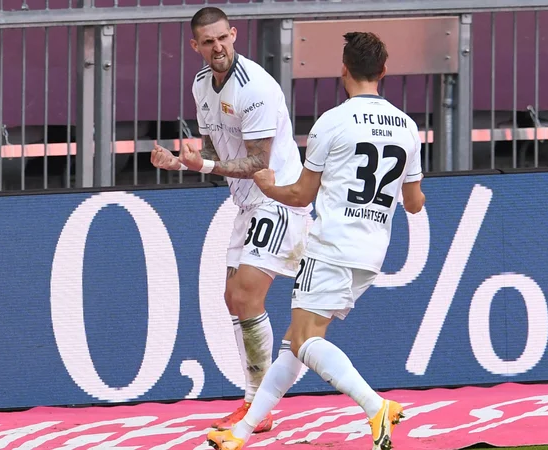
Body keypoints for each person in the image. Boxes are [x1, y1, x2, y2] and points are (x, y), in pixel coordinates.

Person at [206, 31, 426, 450]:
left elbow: (301, 195)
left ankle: (375, 405)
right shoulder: (407, 127)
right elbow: (414, 203)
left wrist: (268, 186)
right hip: (372, 251)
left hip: (330, 245)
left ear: (343, 69)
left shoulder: (332, 122)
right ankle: (241, 432)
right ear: (383, 72)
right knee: (296, 343)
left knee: (306, 341)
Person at [150, 6, 312, 434]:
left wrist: (199, 166)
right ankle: (256, 401)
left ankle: (258, 404)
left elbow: (258, 161)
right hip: (247, 201)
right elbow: (216, 155)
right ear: (195, 46)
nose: (217, 47)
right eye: (208, 41)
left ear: (234, 35)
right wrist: (182, 162)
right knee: (234, 298)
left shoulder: (254, 87)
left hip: (279, 197)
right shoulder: (201, 84)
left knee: (245, 292)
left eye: (223, 38)